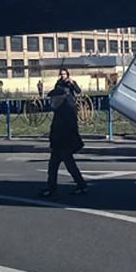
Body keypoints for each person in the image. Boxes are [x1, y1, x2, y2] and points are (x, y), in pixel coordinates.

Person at [41, 68, 88, 197]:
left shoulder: (67, 109)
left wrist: (72, 83)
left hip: (64, 143)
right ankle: (78, 186)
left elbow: (78, 91)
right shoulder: (60, 106)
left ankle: (55, 188)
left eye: (54, 99)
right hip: (59, 143)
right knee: (58, 166)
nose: (52, 101)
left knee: (62, 165)